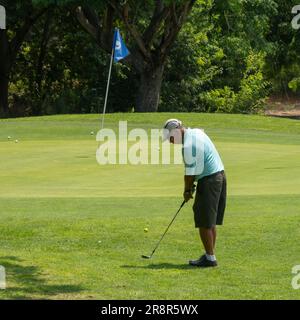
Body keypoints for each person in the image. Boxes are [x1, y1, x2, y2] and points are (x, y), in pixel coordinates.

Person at [162, 119, 227, 267]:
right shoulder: (197, 131)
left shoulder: (188, 146)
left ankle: (210, 259)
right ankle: (210, 255)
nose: (171, 142)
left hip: (210, 180)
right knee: (209, 221)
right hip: (219, 176)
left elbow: (189, 175)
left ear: (177, 131)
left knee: (204, 221)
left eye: (170, 138)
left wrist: (186, 191)